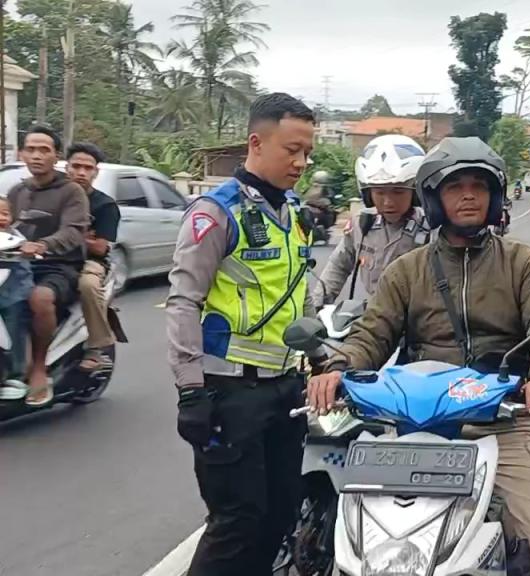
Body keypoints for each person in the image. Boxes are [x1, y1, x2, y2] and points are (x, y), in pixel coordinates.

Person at [305, 137, 530, 576]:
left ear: (493, 197)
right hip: (420, 423)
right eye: (455, 187)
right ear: (434, 198)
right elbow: (372, 334)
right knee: (371, 548)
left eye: (478, 186)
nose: (468, 195)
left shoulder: (522, 263)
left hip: (502, 419)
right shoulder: (406, 270)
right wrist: (337, 369)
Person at [165, 92, 316, 576]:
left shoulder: (294, 213)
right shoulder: (216, 213)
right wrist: (191, 391)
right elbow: (184, 301)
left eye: (307, 151)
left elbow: (299, 294)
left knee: (279, 516)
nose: (302, 161)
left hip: (285, 389)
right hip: (230, 392)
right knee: (236, 522)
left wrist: (323, 356)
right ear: (256, 142)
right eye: (292, 149)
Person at [8, 125, 90, 406]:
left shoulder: (71, 192)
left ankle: (40, 368)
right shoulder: (17, 191)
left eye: (44, 150)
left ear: (56, 157)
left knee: (39, 298)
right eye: (30, 149)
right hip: (17, 264)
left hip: (58, 267)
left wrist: (42, 245)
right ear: (21, 153)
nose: (36, 155)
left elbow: (73, 231)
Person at [311, 134, 429, 307]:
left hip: (419, 319)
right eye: (380, 192)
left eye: (398, 192)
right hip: (374, 316)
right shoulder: (362, 224)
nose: (388, 202)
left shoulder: (431, 228)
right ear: (368, 194)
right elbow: (338, 266)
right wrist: (316, 308)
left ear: (415, 193)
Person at [65, 142, 121, 375]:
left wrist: (66, 236)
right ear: (66, 167)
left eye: (87, 168)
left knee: (88, 285)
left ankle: (97, 347)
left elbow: (99, 247)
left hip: (90, 263)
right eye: (76, 166)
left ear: (95, 172)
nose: (81, 172)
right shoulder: (55, 196)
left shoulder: (104, 205)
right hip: (50, 259)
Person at [0, 197, 34, 400]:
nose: (0, 218)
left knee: (14, 323)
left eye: (4, 213)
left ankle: (17, 375)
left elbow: (26, 249)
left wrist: (27, 249)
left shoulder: (15, 239)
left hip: (14, 291)